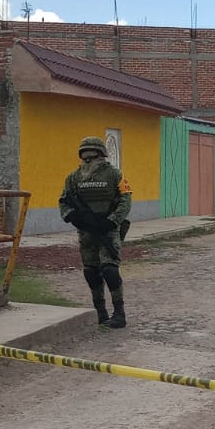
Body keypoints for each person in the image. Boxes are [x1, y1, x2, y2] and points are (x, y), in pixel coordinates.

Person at [59, 136, 132, 328]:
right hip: (86, 231)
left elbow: (126, 200)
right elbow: (64, 201)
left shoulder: (115, 174)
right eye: (85, 156)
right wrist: (72, 216)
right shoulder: (73, 178)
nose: (88, 160)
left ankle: (119, 314)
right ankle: (101, 313)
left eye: (92, 156)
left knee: (109, 269)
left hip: (108, 230)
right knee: (91, 271)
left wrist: (112, 220)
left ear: (101, 155)